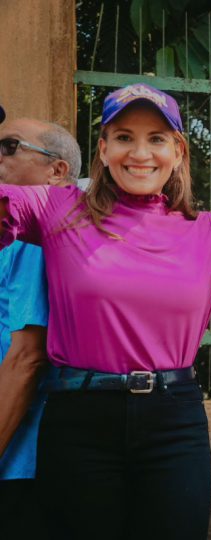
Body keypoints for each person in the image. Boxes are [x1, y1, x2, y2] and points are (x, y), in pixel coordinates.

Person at [0, 80, 211, 540]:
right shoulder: (58, 209)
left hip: (173, 422)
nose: (140, 153)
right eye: (125, 137)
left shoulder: (209, 232)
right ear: (105, 148)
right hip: (80, 421)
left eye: (156, 139)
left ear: (178, 151)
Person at [0, 115, 81, 540]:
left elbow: (28, 357)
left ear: (57, 171)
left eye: (9, 146)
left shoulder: (39, 236)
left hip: (18, 460)